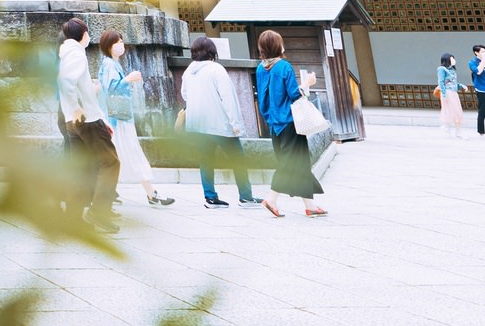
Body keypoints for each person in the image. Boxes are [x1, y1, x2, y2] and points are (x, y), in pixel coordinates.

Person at [97, 27, 173, 208]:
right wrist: (128, 79)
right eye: (117, 42)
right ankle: (150, 194)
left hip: (118, 117)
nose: (120, 45)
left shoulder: (112, 63)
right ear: (108, 45)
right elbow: (111, 87)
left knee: (119, 155)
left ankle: (142, 193)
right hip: (118, 118)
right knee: (129, 153)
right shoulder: (109, 64)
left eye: (122, 42)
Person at [57, 16, 121, 232]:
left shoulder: (66, 53)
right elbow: (67, 82)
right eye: (88, 33)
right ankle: (99, 212)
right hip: (86, 120)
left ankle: (73, 219)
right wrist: (78, 108)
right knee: (110, 162)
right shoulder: (76, 53)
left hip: (74, 121)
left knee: (82, 169)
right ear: (84, 35)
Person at [254, 29, 327, 217]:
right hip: (289, 121)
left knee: (299, 162)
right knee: (290, 162)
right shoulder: (284, 66)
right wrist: (308, 83)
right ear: (278, 46)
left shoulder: (260, 68)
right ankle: (271, 199)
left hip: (274, 123)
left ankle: (310, 205)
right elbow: (294, 95)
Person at [179, 34, 256, 209]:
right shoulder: (216, 69)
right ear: (212, 52)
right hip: (219, 124)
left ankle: (211, 198)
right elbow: (228, 98)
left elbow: (185, 95)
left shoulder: (188, 71)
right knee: (238, 159)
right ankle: (245, 196)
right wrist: (236, 125)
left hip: (197, 125)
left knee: (206, 161)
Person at [437, 51, 465, 136]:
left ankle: (452, 130)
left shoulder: (452, 70)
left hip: (453, 92)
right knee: (450, 111)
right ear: (447, 60)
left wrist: (462, 86)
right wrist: (444, 95)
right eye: (452, 58)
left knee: (456, 111)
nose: (454, 60)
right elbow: (441, 82)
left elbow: (453, 83)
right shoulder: (441, 69)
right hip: (447, 92)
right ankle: (449, 129)